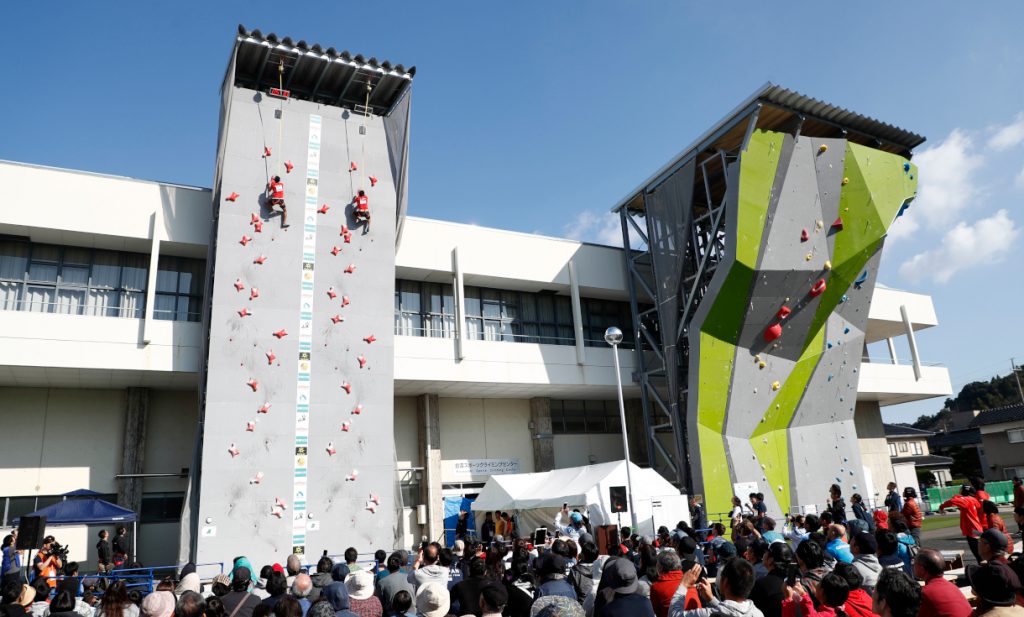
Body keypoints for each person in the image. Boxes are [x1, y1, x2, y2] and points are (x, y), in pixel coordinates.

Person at [670, 557, 761, 617]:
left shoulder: (711, 614)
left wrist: (683, 585)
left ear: (725, 582)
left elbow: (674, 614)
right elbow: (731, 610)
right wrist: (711, 599)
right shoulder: (757, 613)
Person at [912, 548, 971, 617]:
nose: (913, 565)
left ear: (922, 569)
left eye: (914, 563)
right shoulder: (951, 586)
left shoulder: (926, 592)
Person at [940, 484, 985, 562]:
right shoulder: (973, 499)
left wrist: (941, 507)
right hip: (976, 527)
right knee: (979, 551)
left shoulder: (965, 500)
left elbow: (952, 501)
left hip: (971, 529)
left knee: (978, 553)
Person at [749, 542, 792, 617]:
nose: (764, 554)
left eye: (766, 552)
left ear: (771, 560)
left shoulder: (761, 584)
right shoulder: (795, 581)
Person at [781, 571, 848, 617]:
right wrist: (803, 595)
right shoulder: (837, 611)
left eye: (819, 583)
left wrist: (788, 599)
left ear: (822, 591)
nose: (816, 585)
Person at [649, 551, 684, 617]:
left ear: (661, 568)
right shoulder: (688, 580)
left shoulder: (657, 587)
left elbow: (655, 611)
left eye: (657, 564)